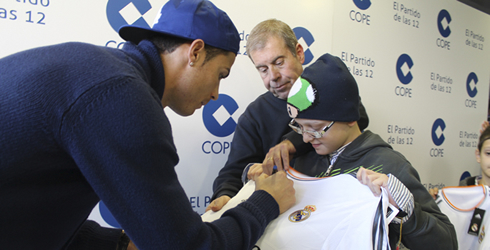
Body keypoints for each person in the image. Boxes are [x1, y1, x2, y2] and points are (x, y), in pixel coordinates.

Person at [0, 1, 296, 249]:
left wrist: (119, 242)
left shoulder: (102, 72)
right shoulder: (121, 98)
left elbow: (35, 217)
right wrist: (265, 202)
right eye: (220, 74)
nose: (216, 94)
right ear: (195, 52)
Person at [272, 53, 456, 249]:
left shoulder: (391, 165)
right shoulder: (303, 159)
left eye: (316, 128)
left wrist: (406, 211)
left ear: (351, 117)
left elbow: (447, 244)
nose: (306, 138)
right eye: (300, 128)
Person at [207, 19, 369, 212]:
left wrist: (293, 142)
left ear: (299, 53)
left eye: (279, 62)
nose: (273, 76)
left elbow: (358, 116)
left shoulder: (327, 87)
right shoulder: (254, 115)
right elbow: (233, 173)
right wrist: (225, 196)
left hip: (339, 206)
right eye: (263, 69)